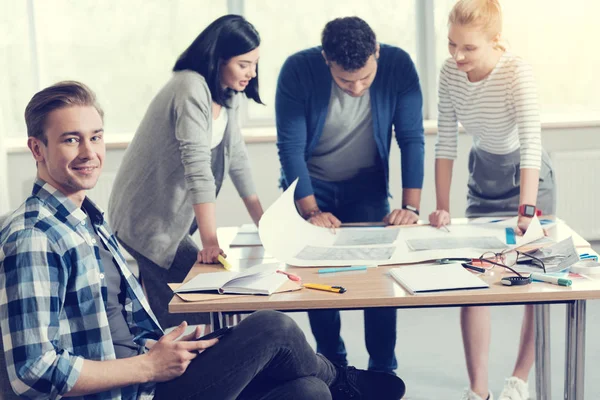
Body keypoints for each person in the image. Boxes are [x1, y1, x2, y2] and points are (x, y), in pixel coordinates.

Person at [0, 81, 407, 400]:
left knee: (307, 391)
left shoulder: (86, 219)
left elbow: (113, 325)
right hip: (130, 389)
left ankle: (334, 385)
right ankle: (344, 382)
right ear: (37, 148)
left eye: (96, 136)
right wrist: (149, 366)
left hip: (146, 377)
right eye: (71, 139)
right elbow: (32, 371)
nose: (89, 151)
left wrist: (165, 345)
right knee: (273, 328)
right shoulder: (35, 237)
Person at [275, 17, 425, 373]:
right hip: (313, 186)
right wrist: (311, 210)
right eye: (345, 80)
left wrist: (410, 206)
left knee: (379, 275)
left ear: (376, 52)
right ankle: (332, 361)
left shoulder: (399, 65)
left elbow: (411, 138)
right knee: (317, 275)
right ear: (327, 59)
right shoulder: (297, 69)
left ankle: (383, 365)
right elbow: (290, 148)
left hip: (368, 185)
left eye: (365, 78)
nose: (357, 88)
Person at [428, 1, 556, 399]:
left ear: (495, 41)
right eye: (452, 44)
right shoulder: (450, 73)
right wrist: (442, 206)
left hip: (529, 179)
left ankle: (518, 378)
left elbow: (532, 143)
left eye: (469, 48)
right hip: (482, 173)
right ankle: (478, 390)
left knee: (536, 280)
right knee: (475, 278)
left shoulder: (517, 71)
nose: (458, 55)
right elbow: (445, 140)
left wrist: (527, 211)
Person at [108, 15, 266, 328]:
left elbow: (238, 160)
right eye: (244, 64)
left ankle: (195, 369)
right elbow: (198, 169)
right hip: (146, 220)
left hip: (169, 222)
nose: (252, 73)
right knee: (193, 309)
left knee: (203, 303)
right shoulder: (190, 87)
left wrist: (264, 221)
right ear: (218, 59)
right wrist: (210, 242)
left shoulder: (225, 92)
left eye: (256, 64)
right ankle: (180, 374)